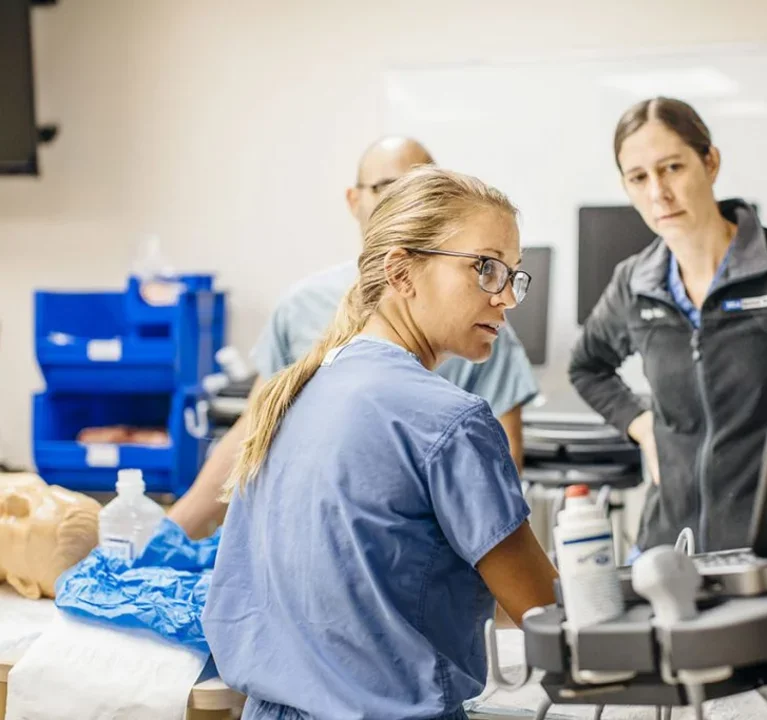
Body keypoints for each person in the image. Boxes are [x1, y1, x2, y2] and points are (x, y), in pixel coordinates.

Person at [202, 167, 558, 720]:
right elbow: (545, 613)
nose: (507, 297)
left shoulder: (294, 394)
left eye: (514, 275)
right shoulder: (449, 421)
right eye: (487, 269)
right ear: (401, 271)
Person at [168, 137, 538, 539]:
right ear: (354, 200)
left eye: (420, 184)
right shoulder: (304, 306)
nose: (503, 298)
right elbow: (256, 431)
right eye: (388, 186)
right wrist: (167, 533)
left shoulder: (480, 328)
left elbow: (497, 478)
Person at [569, 97, 767, 553]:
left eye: (672, 168)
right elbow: (586, 366)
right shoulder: (635, 283)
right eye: (639, 177)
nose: (658, 193)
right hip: (671, 546)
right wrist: (640, 424)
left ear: (710, 162)